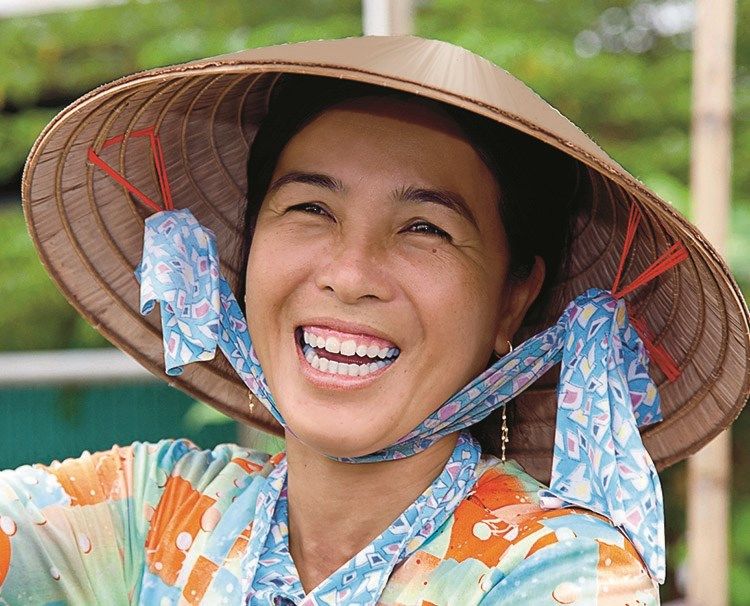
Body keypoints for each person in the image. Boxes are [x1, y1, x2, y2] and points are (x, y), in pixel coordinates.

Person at [3, 35, 748, 605]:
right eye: (310, 208)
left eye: (425, 227)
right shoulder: (158, 507)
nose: (350, 274)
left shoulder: (565, 572)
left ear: (513, 299)